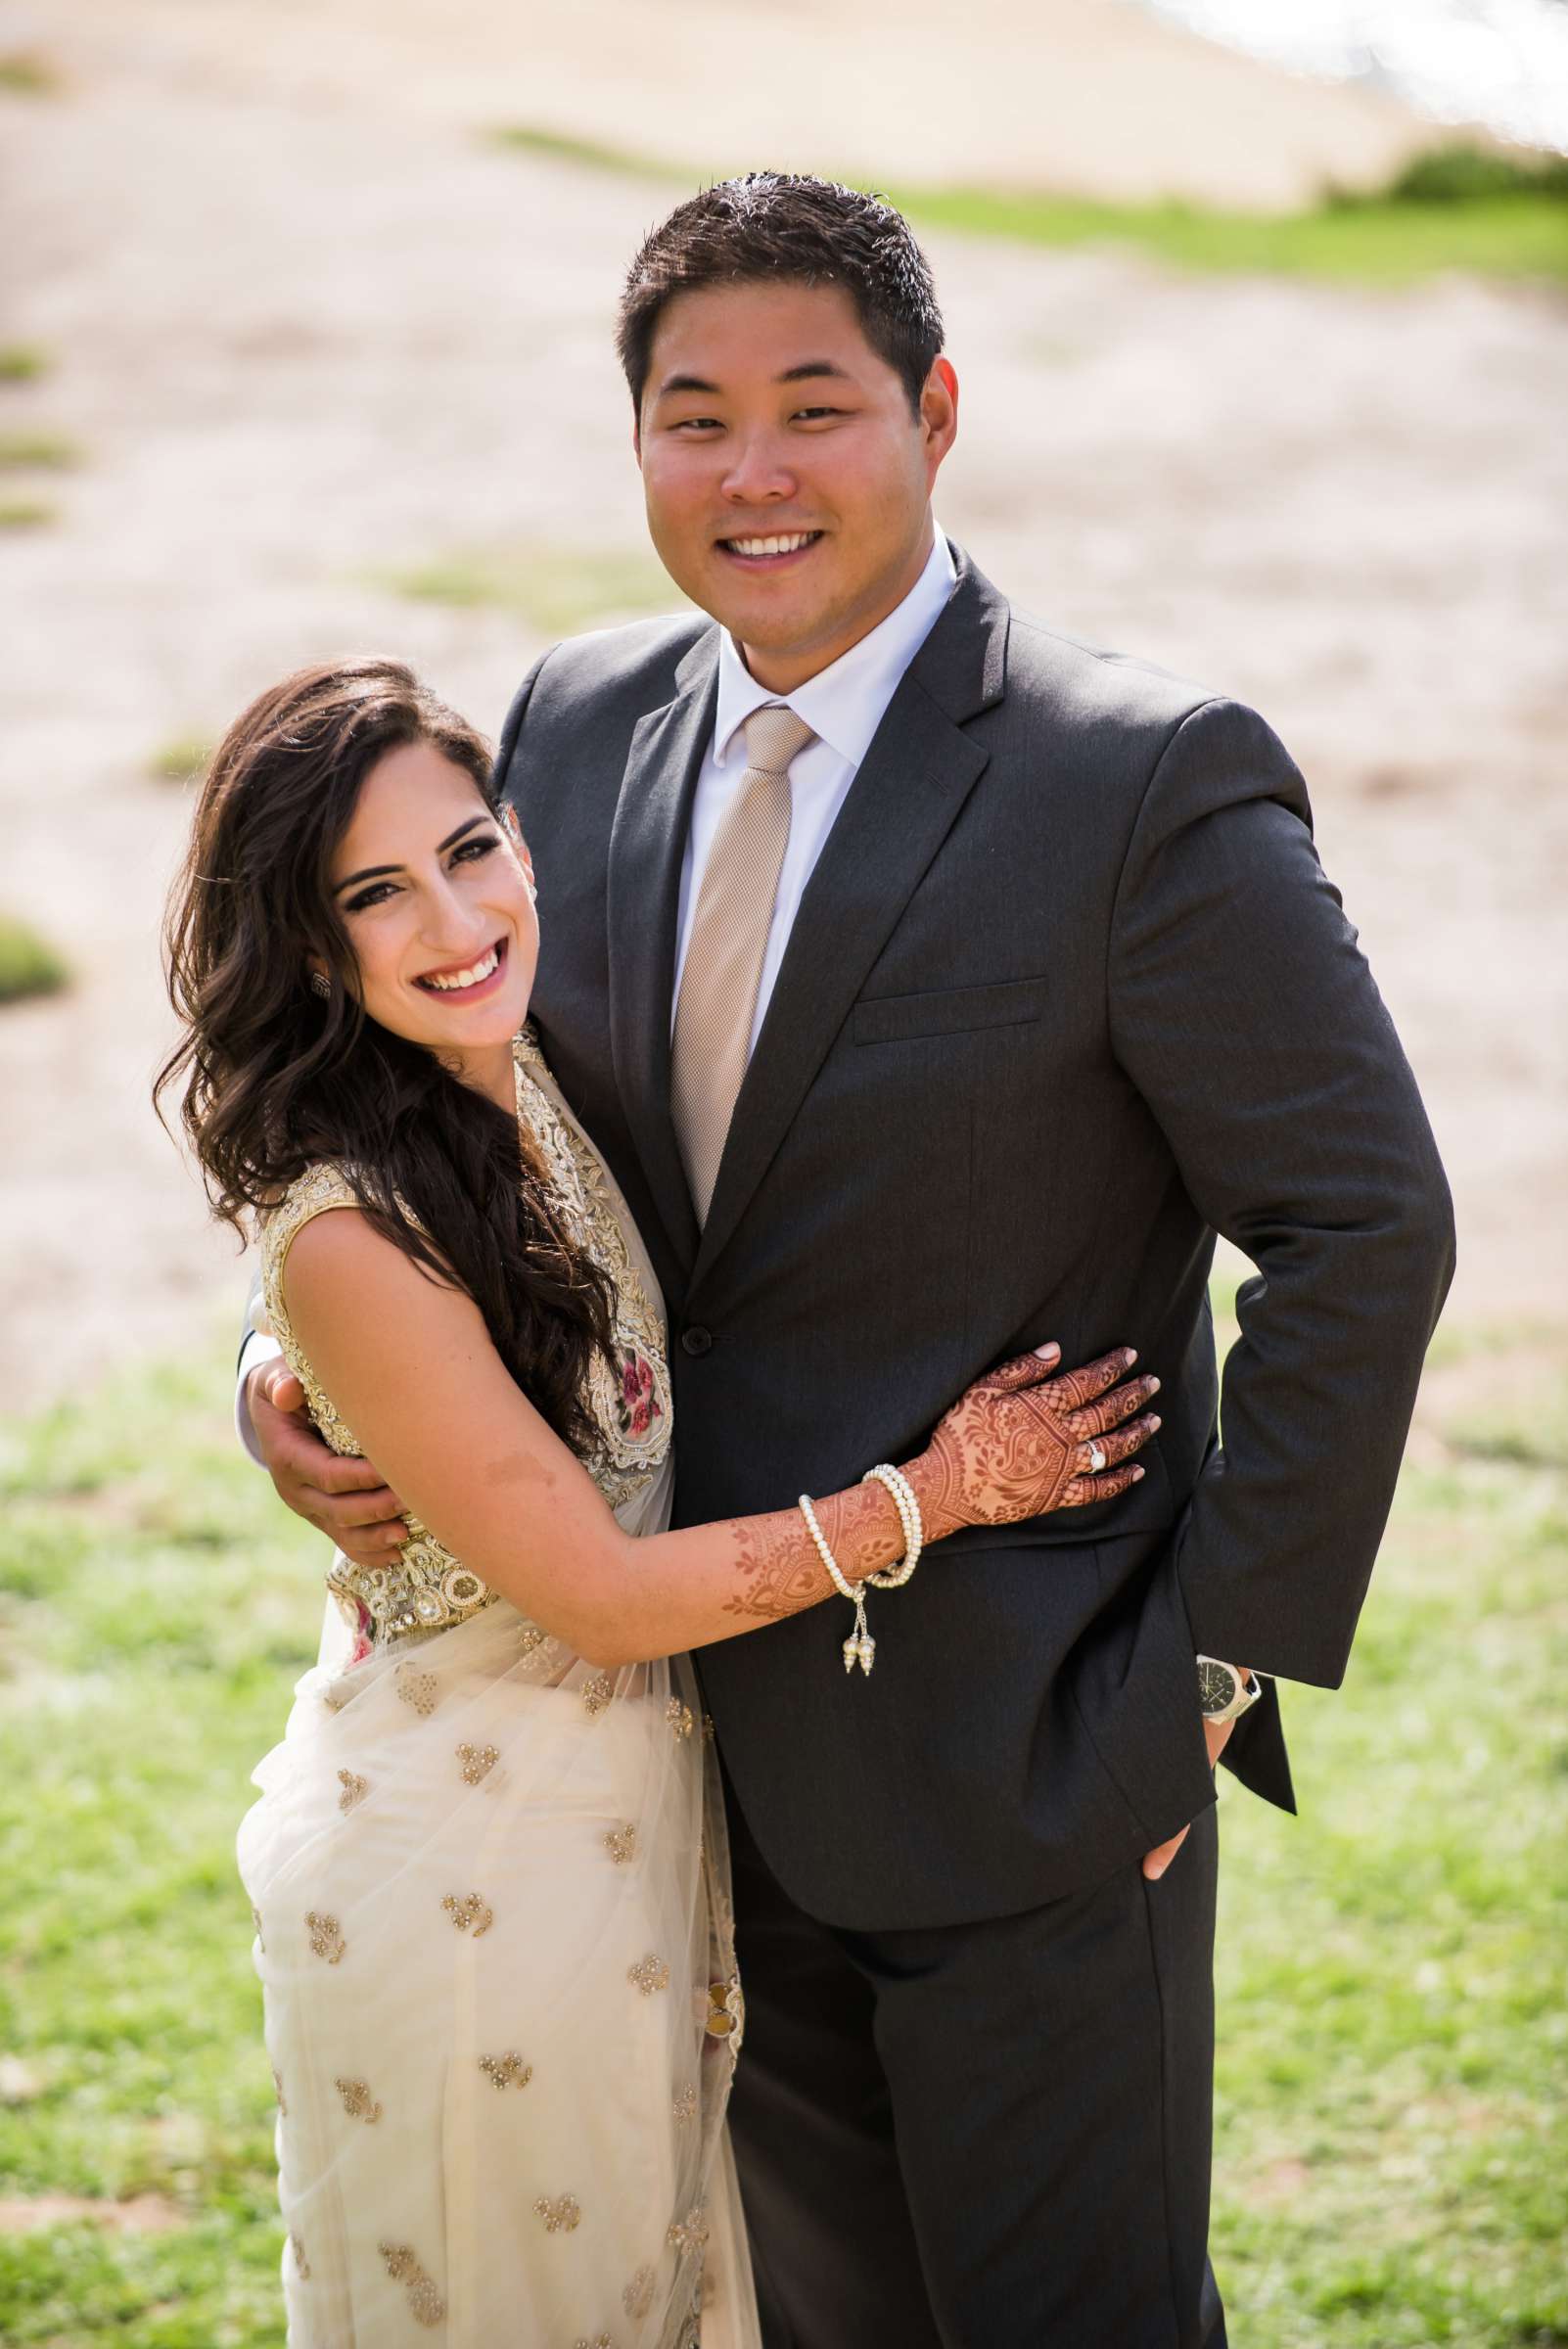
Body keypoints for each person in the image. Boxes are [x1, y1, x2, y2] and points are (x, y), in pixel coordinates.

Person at [241, 178, 1454, 2346]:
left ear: (939, 412)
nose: (756, 471)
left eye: (818, 407)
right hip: (670, 1797)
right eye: (694, 418)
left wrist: (1198, 1694)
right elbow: (459, 1117)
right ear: (636, 454)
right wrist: (291, 1368)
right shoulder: (575, 728)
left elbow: (1366, 1230)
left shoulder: (1141, 782)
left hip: (1034, 1784)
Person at [162, 658, 1157, 2345]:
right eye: (376, 895)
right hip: (470, 1878)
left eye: (472, 849)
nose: (456, 918)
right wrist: (937, 1492)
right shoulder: (349, 1227)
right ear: (309, 948)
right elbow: (602, 1598)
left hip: (626, 1838)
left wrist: (283, 1385)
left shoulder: (518, 1059)